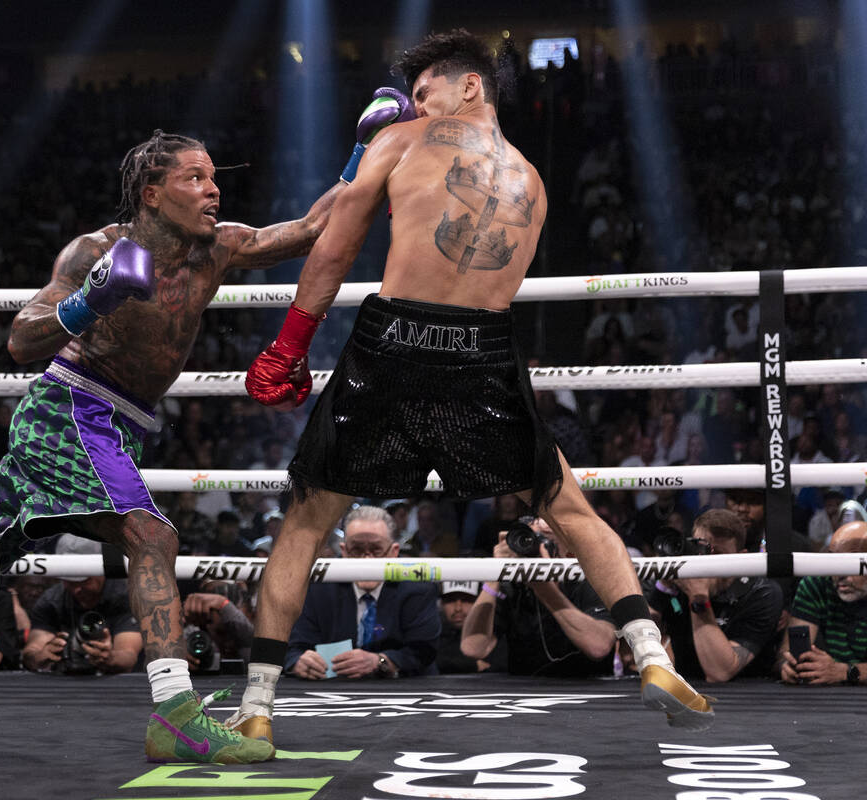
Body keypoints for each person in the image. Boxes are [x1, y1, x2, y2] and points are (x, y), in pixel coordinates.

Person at [0, 118, 386, 763]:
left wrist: (367, 149)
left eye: (214, 177)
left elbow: (309, 229)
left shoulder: (218, 247)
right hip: (71, 407)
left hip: (118, 422)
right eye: (195, 178)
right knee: (152, 535)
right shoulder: (95, 252)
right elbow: (22, 340)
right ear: (153, 194)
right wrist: (92, 301)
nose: (213, 190)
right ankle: (177, 714)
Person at [229, 29, 713, 744]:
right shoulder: (533, 180)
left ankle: (258, 707)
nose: (414, 105)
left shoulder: (400, 141)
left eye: (424, 92)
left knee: (305, 518)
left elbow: (332, 245)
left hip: (394, 340)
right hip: (483, 347)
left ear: (470, 85)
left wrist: (291, 343)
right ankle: (649, 653)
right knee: (570, 508)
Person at [284, 505, 440, 680]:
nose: (367, 560)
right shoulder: (319, 585)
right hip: (331, 691)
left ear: (394, 552)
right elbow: (293, 647)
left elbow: (423, 651)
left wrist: (381, 662)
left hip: (402, 687)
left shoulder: (417, 587)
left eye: (376, 550)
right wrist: (298, 662)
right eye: (357, 550)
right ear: (343, 551)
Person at [460, 520, 617, 677]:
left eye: (544, 538)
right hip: (526, 692)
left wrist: (544, 589)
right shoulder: (513, 585)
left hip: (589, 690)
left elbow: (599, 647)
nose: (534, 547)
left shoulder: (589, 580)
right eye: (527, 540)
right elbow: (473, 649)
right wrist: (495, 574)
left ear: (566, 546)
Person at [649, 509, 783, 682]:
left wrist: (699, 598)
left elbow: (719, 672)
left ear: (740, 558)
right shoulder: (681, 578)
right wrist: (663, 587)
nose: (706, 562)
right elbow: (635, 645)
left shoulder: (761, 592)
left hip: (749, 697)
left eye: (718, 555)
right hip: (686, 690)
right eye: (700, 550)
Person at [21, 535, 142, 675]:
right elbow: (31, 653)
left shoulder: (124, 596)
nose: (77, 589)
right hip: (65, 685)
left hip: (123, 686)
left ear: (101, 572)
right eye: (70, 581)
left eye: (84, 580)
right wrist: (43, 654)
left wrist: (109, 657)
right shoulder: (52, 600)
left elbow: (128, 655)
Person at [779, 520, 867, 685]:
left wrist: (845, 671)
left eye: (851, 564)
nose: (840, 575)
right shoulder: (817, 583)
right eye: (835, 562)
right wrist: (789, 666)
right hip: (826, 694)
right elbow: (788, 651)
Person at [435, 580, 486, 674]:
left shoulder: (495, 633)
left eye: (466, 599)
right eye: (451, 600)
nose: (458, 608)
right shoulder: (431, 636)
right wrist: (472, 665)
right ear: (441, 603)